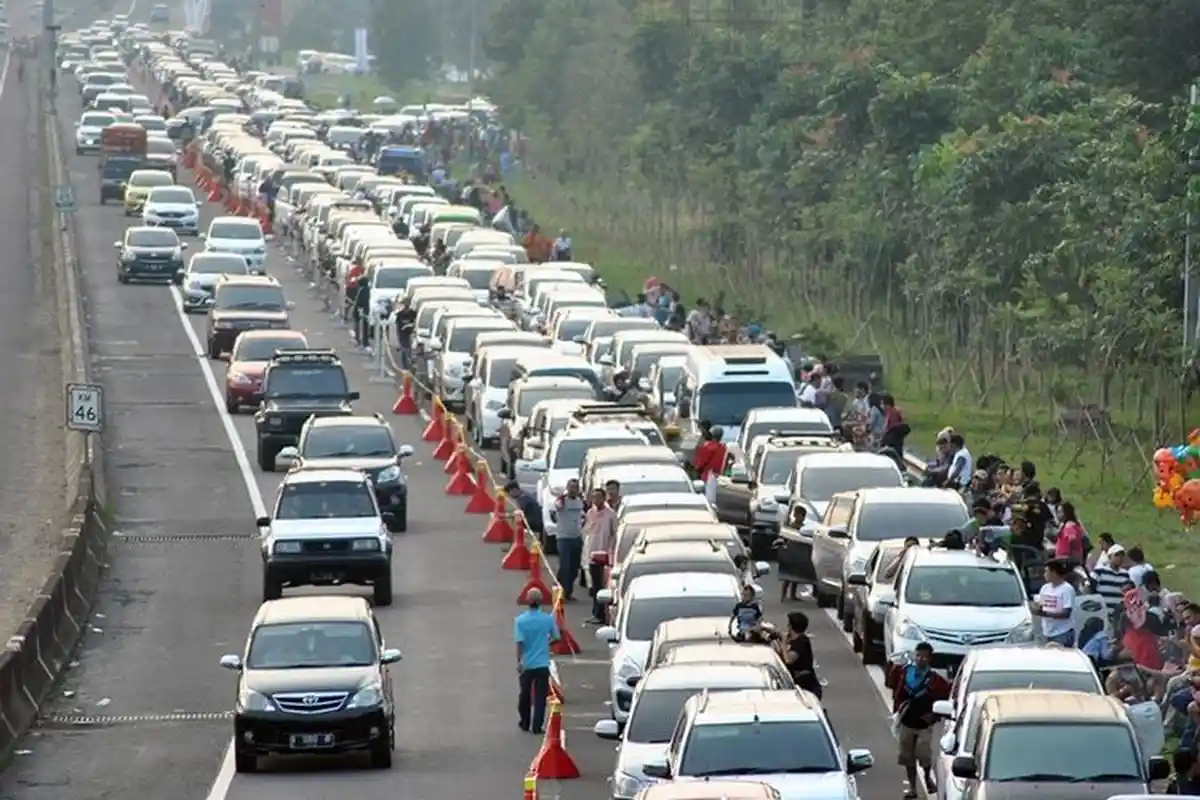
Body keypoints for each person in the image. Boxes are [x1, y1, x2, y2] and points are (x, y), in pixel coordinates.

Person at [885, 642, 950, 798]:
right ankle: (913, 788)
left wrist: (934, 716)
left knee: (923, 753)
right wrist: (892, 665)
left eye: (924, 657)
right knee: (907, 756)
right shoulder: (904, 673)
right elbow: (890, 684)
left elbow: (946, 700)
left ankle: (927, 778)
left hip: (924, 724)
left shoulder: (935, 680)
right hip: (906, 721)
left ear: (930, 659)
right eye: (918, 655)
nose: (921, 659)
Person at [514, 588, 560, 734]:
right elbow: (557, 637)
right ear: (540, 602)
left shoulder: (520, 621)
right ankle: (537, 725)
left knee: (524, 694)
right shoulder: (547, 619)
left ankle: (524, 721)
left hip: (527, 663)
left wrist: (519, 661)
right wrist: (547, 644)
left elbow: (519, 643)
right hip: (542, 663)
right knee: (540, 696)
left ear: (527, 601)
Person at [583, 488, 616, 624]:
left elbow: (614, 533)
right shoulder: (590, 513)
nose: (596, 500)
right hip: (592, 553)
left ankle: (601, 615)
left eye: (598, 497)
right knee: (595, 586)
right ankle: (596, 613)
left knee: (603, 586)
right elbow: (586, 531)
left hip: (605, 555)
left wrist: (611, 550)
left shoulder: (611, 515)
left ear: (603, 498)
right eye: (593, 497)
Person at [551, 479, 586, 601]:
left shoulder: (579, 501)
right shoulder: (562, 500)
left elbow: (583, 515)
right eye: (571, 487)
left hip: (576, 537)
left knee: (575, 567)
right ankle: (558, 591)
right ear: (567, 487)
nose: (573, 490)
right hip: (563, 538)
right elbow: (558, 507)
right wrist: (561, 498)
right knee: (565, 566)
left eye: (576, 487)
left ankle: (568, 592)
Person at [778, 611, 823, 698]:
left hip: (807, 686)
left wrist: (783, 644)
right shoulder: (791, 640)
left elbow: (788, 660)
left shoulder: (802, 641)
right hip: (796, 684)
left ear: (791, 626)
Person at [1032, 560, 1077, 646]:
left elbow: (1066, 614)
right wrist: (1036, 608)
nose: (1044, 574)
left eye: (1046, 571)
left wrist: (1046, 614)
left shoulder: (1067, 589)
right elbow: (1042, 605)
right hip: (1047, 632)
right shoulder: (1045, 588)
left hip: (1062, 633)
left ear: (1054, 572)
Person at [692, 424, 727, 505]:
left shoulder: (708, 447)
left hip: (708, 475)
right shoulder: (723, 447)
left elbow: (700, 462)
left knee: (707, 499)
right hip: (719, 476)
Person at [392, 298, 417, 370]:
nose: (406, 307)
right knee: (404, 349)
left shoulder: (413, 313)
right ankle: (404, 366)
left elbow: (415, 323)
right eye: (405, 306)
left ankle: (409, 366)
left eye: (408, 306)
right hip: (402, 334)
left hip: (410, 334)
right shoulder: (400, 315)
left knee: (409, 350)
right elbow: (397, 326)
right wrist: (398, 336)